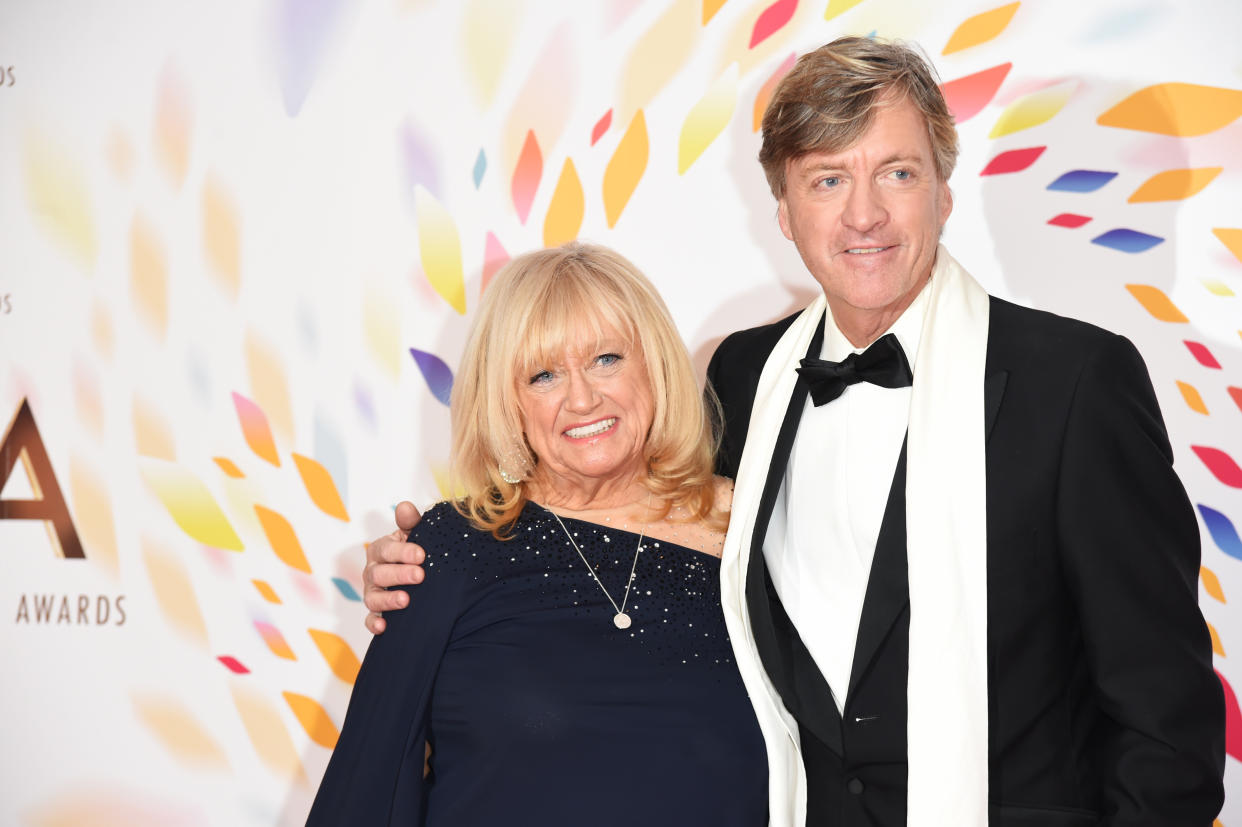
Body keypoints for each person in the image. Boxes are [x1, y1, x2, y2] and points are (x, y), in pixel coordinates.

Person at [363, 37, 1225, 826]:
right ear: (782, 210)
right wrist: (433, 572)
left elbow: (1167, 719)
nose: (863, 217)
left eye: (895, 173)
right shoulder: (742, 378)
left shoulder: (1075, 382)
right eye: (826, 180)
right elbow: (637, 536)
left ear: (944, 190)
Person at [308, 243, 767, 825]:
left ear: (654, 364)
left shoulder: (750, 528)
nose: (582, 398)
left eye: (607, 358)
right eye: (543, 375)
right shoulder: (449, 550)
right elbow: (369, 782)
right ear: (508, 401)